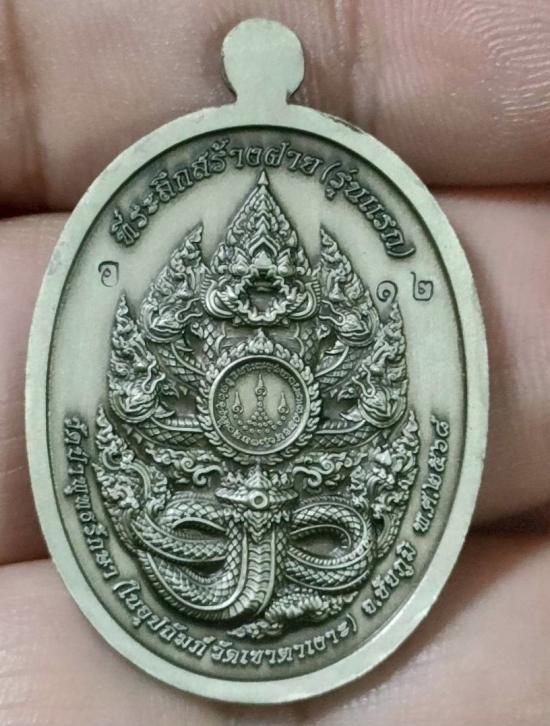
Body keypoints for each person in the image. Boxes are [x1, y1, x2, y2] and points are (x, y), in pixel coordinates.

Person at [1, 1, 549, 723]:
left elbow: (377, 404)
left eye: (281, 280)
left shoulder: (336, 366)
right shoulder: (180, 363)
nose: (263, 290)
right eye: (247, 280)